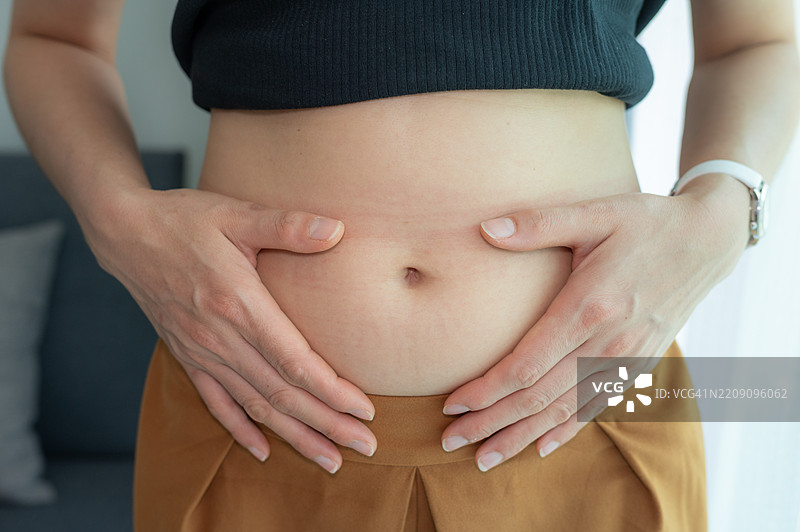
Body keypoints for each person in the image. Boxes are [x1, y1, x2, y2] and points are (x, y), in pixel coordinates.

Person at [4, 0, 799, 530]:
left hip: (596, 391)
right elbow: (54, 37)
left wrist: (722, 218)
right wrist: (117, 223)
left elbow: (758, 40)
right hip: (248, 401)